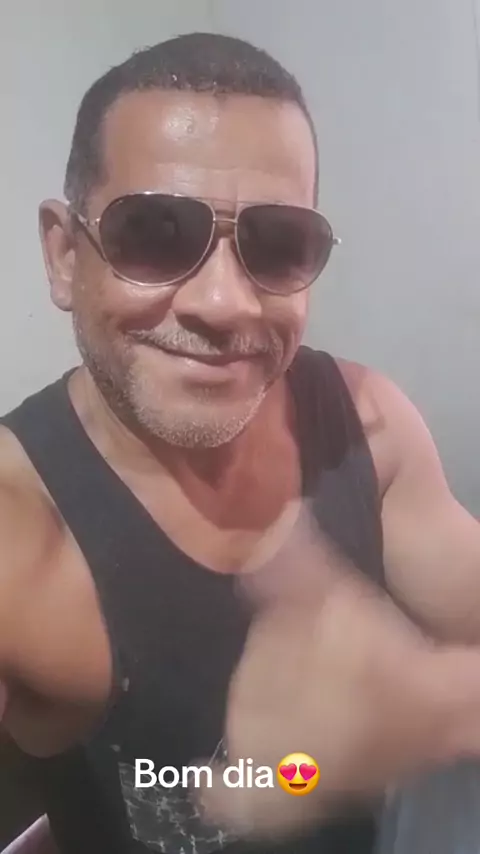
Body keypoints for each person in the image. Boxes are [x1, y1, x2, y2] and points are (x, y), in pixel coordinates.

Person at [2, 30, 480, 854]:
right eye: (154, 231)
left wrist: (441, 705)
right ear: (65, 254)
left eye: (278, 243)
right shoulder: (17, 530)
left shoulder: (366, 426)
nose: (224, 303)